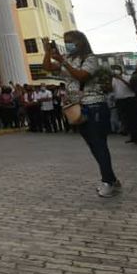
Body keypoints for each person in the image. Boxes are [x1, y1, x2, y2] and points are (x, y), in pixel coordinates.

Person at [44, 31, 121, 198]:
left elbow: (81, 75)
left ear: (80, 42)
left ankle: (108, 181)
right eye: (65, 42)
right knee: (93, 145)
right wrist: (47, 52)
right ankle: (112, 179)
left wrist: (63, 61)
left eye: (71, 41)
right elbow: (48, 68)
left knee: (99, 144)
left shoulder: (90, 59)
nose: (68, 44)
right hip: (77, 106)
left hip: (93, 105)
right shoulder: (68, 59)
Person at [111, 65, 137, 143]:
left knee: (134, 119)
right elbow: (111, 89)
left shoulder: (127, 77)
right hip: (120, 100)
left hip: (130, 99)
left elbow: (131, 87)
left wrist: (121, 79)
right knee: (126, 120)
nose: (115, 71)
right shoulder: (113, 80)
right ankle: (132, 136)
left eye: (116, 69)